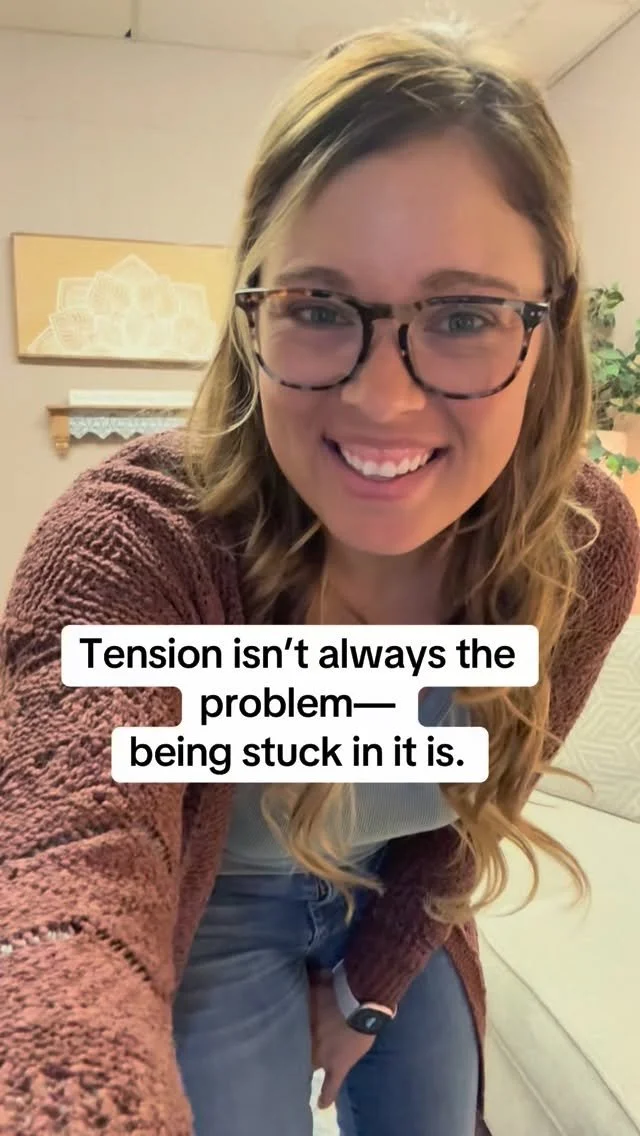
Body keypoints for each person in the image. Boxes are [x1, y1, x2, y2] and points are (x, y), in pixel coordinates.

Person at [1, 18, 639, 1136]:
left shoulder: (579, 544)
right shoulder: (139, 540)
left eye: (463, 316)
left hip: (395, 897)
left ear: (547, 326)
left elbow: (474, 811)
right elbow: (67, 880)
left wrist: (370, 988)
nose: (383, 401)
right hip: (213, 913)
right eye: (317, 306)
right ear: (253, 313)